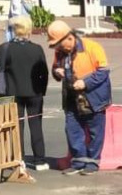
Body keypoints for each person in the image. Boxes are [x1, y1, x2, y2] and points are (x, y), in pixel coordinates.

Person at [46, 18, 111, 175]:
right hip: (71, 97)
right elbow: (55, 67)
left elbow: (103, 71)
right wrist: (57, 71)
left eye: (60, 44)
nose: (59, 48)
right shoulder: (60, 52)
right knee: (72, 129)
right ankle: (78, 161)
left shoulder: (92, 47)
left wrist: (85, 83)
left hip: (94, 97)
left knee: (96, 130)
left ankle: (93, 162)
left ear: (70, 37)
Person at [0, 15, 49, 172]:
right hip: (35, 93)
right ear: (29, 30)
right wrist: (41, 90)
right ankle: (40, 160)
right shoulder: (37, 49)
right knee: (36, 125)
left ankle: (19, 159)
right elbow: (44, 72)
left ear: (13, 30)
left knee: (16, 126)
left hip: (13, 92)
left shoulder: (5, 48)